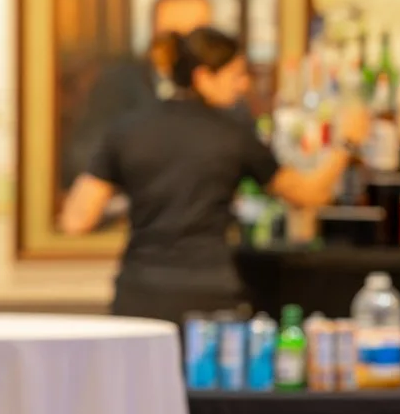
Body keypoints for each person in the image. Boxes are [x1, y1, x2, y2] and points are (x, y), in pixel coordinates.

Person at [59, 26, 367, 324]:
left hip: (140, 295)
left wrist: (135, 203)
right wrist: (347, 144)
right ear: (203, 76)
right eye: (236, 75)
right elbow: (308, 195)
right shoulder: (233, 135)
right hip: (208, 297)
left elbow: (76, 220)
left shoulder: (126, 131)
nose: (243, 85)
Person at [60, 0, 213, 190]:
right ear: (154, 34)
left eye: (195, 36)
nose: (184, 47)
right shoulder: (117, 85)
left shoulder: (224, 91)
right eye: (173, 35)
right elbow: (84, 157)